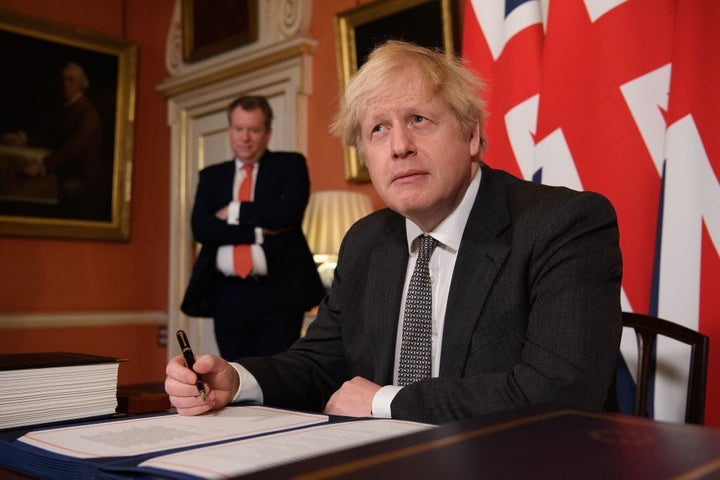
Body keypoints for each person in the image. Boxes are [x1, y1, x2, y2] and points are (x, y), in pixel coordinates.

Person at [166, 41, 623, 425]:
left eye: (418, 120)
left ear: (471, 136)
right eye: (378, 129)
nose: (399, 145)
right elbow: (319, 363)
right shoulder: (367, 240)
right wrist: (237, 379)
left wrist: (385, 402)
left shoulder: (564, 224)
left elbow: (563, 392)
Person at [181, 95, 325, 360]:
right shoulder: (212, 176)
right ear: (230, 131)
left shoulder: (290, 165)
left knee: (275, 379)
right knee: (234, 377)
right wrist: (257, 232)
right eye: (238, 129)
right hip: (227, 296)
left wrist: (234, 210)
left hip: (278, 295)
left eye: (253, 129)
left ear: (267, 133)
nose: (244, 137)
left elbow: (286, 215)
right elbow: (202, 229)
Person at [1, 62, 106, 219]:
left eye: (71, 80)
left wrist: (43, 166)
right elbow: (50, 135)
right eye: (64, 79)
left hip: (79, 178)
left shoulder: (89, 114)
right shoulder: (66, 107)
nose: (65, 84)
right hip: (63, 169)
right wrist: (23, 139)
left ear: (82, 85)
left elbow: (73, 148)